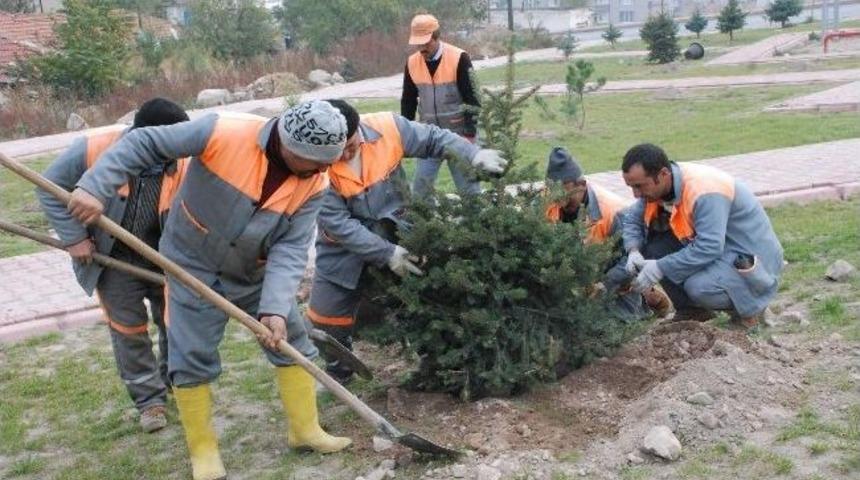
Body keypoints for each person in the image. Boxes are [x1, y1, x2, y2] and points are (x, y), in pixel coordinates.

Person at [66, 100, 353, 480]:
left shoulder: (316, 182)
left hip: (255, 271)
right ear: (287, 145)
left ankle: (305, 431)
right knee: (191, 355)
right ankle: (204, 453)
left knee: (292, 344)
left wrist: (275, 309)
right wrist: (94, 186)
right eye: (315, 162)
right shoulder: (223, 131)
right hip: (191, 266)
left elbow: (292, 247)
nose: (323, 170)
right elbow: (145, 143)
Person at [307, 99, 507, 384]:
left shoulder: (387, 128)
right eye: (337, 150)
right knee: (323, 320)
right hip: (341, 251)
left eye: (350, 145)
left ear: (358, 128)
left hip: (400, 231)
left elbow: (435, 138)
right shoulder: (314, 164)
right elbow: (339, 225)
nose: (345, 153)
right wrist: (387, 254)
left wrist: (472, 155)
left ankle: (437, 363)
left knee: (428, 298)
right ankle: (340, 371)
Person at [37, 97, 189, 433]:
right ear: (142, 136)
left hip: (165, 257)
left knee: (175, 323)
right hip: (114, 259)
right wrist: (74, 238)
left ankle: (176, 382)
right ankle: (150, 402)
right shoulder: (94, 147)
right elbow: (49, 188)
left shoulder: (184, 158)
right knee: (128, 330)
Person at [620, 143, 783, 328]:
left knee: (699, 287)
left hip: (749, 256)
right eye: (631, 187)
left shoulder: (704, 191)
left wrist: (661, 267)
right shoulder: (660, 186)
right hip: (721, 249)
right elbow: (633, 219)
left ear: (663, 174)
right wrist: (633, 250)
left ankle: (750, 310)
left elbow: (710, 247)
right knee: (654, 248)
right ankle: (693, 312)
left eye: (640, 186)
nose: (635, 194)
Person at [544, 147, 670, 321]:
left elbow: (631, 259)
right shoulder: (545, 202)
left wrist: (604, 284)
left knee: (613, 324)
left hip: (608, 276)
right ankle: (647, 294)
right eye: (552, 190)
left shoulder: (613, 212)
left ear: (581, 184)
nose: (557, 197)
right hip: (572, 274)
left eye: (564, 190)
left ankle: (646, 296)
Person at [401, 13, 483, 200]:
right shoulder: (412, 63)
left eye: (426, 43)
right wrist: (405, 131)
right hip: (428, 135)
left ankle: (477, 224)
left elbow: (473, 99)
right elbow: (408, 100)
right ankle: (426, 226)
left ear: (436, 36)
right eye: (418, 44)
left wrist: (469, 134)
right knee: (421, 191)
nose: (422, 48)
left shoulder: (459, 58)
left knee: (469, 190)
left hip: (460, 135)